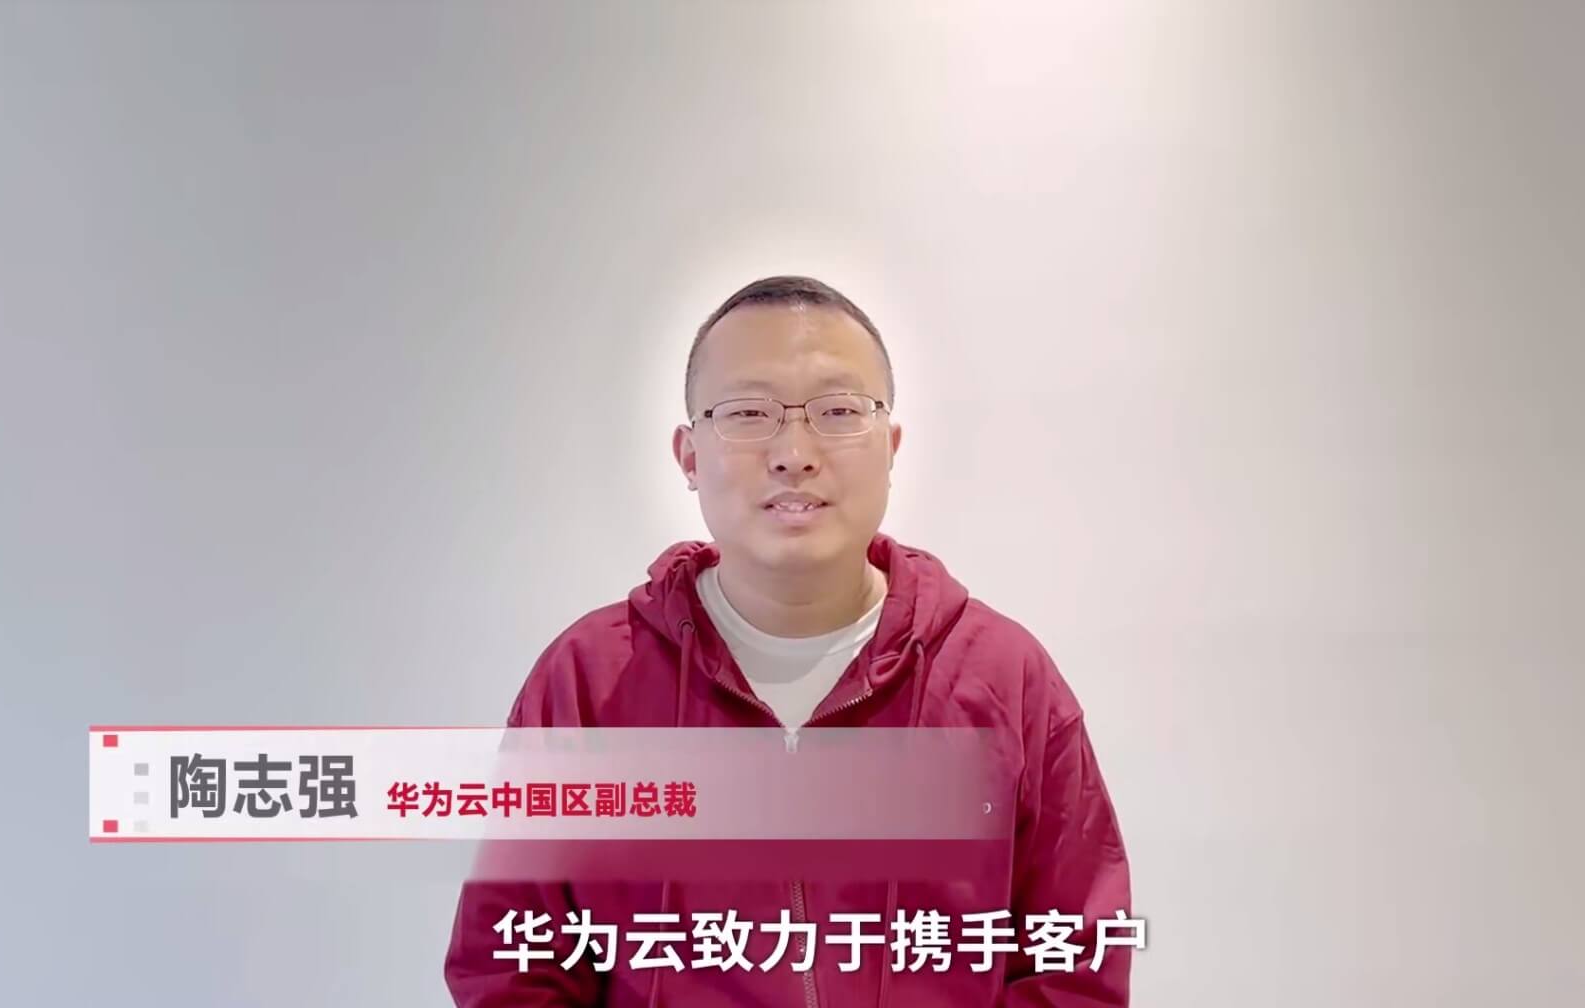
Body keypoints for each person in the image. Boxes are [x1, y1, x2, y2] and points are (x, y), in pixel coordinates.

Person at [445, 276, 1133, 1006]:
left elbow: (1074, 965)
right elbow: (513, 967)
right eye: (749, 413)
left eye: (838, 412)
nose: (795, 453)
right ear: (689, 456)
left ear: (891, 447)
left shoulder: (1005, 678)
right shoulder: (589, 681)